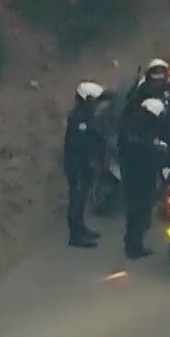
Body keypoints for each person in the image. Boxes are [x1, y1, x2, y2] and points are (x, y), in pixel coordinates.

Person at [117, 97, 170, 259]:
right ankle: (134, 246)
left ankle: (135, 243)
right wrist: (156, 148)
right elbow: (141, 149)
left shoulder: (135, 125)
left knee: (140, 211)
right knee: (138, 211)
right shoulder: (136, 130)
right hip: (138, 176)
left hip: (139, 174)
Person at [61, 82, 107, 248]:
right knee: (77, 199)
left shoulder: (87, 114)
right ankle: (75, 236)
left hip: (84, 164)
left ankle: (80, 228)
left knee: (82, 197)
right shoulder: (79, 117)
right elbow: (81, 144)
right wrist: (91, 159)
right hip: (77, 165)